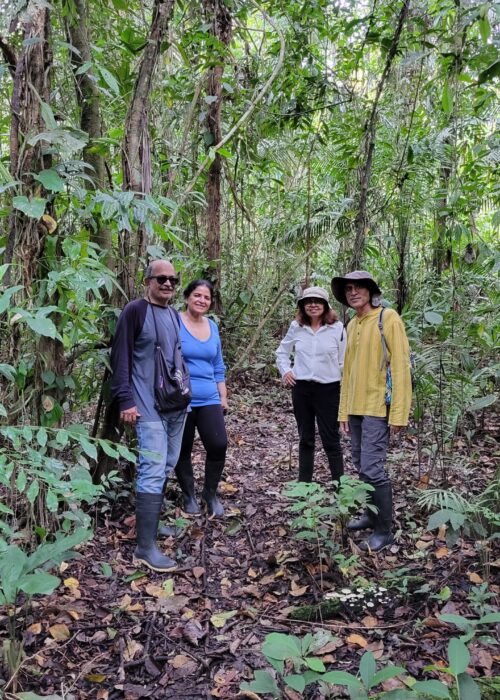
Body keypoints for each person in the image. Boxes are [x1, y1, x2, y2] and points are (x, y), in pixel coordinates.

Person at [110, 259, 187, 572]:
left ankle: (152, 528)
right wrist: (126, 400)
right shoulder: (135, 310)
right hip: (145, 404)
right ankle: (144, 548)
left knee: (167, 463)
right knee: (153, 468)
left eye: (173, 279)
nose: (167, 284)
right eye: (161, 279)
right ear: (148, 281)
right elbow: (121, 356)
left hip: (175, 403)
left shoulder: (173, 315)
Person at [331, 270, 412, 552]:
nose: (353, 292)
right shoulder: (352, 325)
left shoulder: (387, 318)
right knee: (360, 464)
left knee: (373, 468)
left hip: (377, 407)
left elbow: (400, 365)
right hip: (355, 407)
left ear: (370, 291)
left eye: (359, 288)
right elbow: (348, 372)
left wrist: (399, 413)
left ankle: (384, 531)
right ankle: (369, 514)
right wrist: (343, 412)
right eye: (348, 289)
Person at [275, 286, 346, 485]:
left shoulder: (337, 328)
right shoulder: (296, 327)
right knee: (305, 437)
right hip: (302, 389)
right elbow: (281, 352)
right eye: (308, 302)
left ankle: (340, 487)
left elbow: (344, 360)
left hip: (329, 389)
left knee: (331, 438)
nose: (313, 305)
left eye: (317, 301)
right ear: (302, 306)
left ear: (325, 305)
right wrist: (286, 371)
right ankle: (304, 486)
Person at [174, 280, 228, 517]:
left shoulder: (212, 326)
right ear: (187, 297)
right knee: (182, 448)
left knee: (218, 444)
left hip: (209, 397)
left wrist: (223, 396)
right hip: (180, 397)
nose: (201, 301)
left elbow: (218, 365)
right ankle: (189, 495)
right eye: (197, 295)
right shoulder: (174, 321)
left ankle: (210, 493)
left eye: (206, 298)